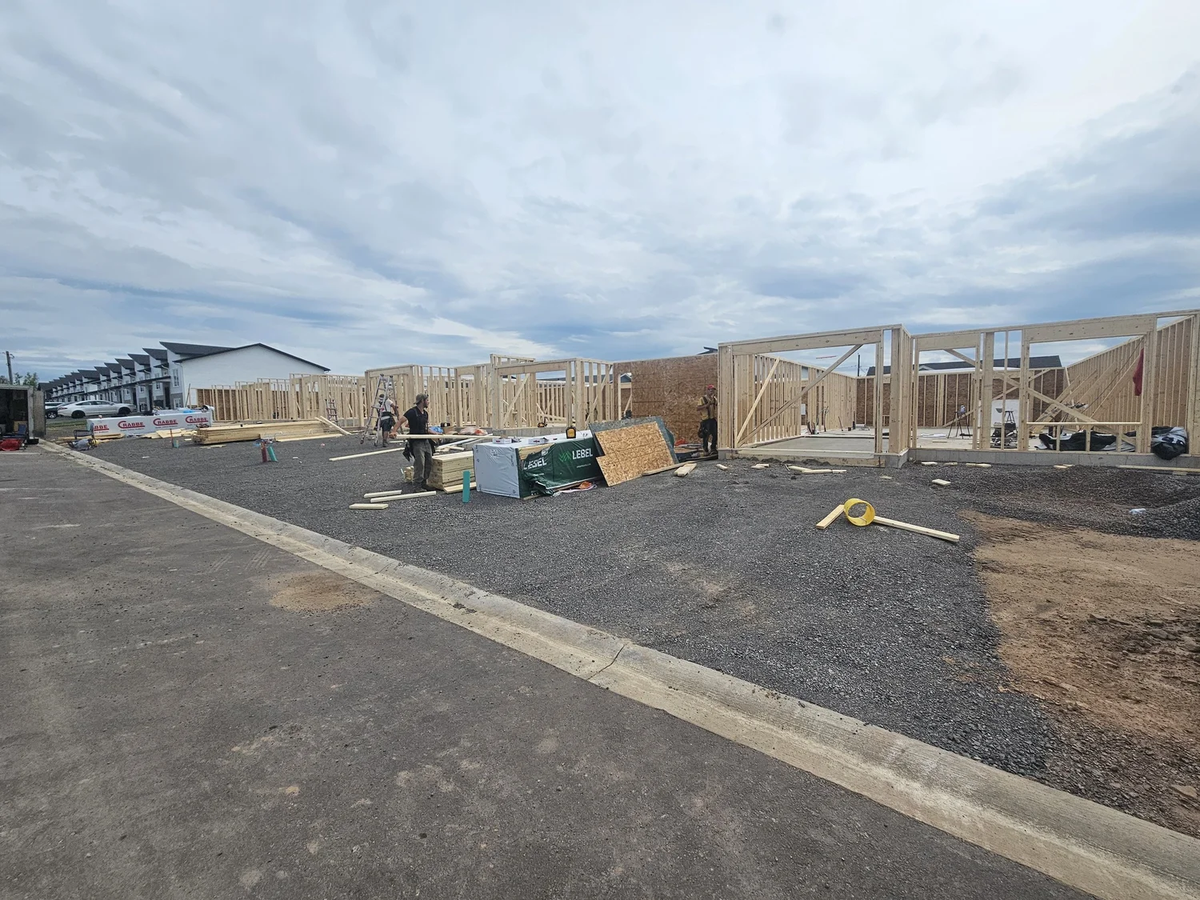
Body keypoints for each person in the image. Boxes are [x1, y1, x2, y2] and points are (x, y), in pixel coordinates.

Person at [400, 393, 433, 490]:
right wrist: (393, 431)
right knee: (420, 463)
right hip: (417, 442)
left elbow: (425, 428)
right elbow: (400, 421)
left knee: (429, 461)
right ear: (422, 401)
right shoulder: (412, 412)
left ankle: (424, 482)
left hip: (425, 440)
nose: (428, 402)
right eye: (427, 400)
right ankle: (417, 485)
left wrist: (434, 433)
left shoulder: (425, 414)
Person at [697, 385, 718, 457]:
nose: (711, 391)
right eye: (710, 390)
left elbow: (717, 405)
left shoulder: (714, 399)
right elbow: (698, 408)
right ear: (707, 390)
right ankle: (705, 450)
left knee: (715, 434)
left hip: (712, 419)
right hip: (706, 420)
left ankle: (713, 448)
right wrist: (707, 405)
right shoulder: (703, 399)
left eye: (713, 390)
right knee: (706, 435)